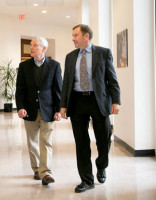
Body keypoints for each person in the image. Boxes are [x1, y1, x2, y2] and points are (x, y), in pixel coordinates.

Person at [60, 24, 121, 193]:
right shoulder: (70, 57)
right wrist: (63, 106)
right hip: (77, 101)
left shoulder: (103, 53)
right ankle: (86, 180)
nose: (73, 38)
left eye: (75, 35)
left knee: (104, 138)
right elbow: (66, 83)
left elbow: (112, 79)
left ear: (86, 36)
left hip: (98, 100)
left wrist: (116, 101)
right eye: (72, 35)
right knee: (81, 142)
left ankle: (101, 166)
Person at [15, 37, 62, 186]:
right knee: (32, 141)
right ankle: (36, 169)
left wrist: (58, 109)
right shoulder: (24, 66)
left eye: (35, 45)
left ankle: (45, 172)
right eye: (31, 45)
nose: (31, 47)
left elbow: (58, 89)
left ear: (44, 48)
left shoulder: (54, 65)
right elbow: (20, 90)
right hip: (29, 109)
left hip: (48, 109)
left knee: (46, 141)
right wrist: (20, 107)